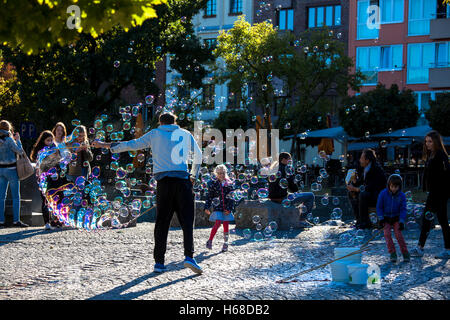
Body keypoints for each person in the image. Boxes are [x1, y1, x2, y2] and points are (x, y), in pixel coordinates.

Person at [92, 112, 203, 274]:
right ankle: (189, 256)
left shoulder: (154, 133)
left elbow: (132, 144)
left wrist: (105, 145)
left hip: (164, 183)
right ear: (175, 122)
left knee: (162, 223)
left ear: (160, 122)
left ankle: (159, 262)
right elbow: (199, 154)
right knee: (187, 221)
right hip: (183, 182)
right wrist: (194, 175)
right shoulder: (185, 134)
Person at [410, 131, 450, 259]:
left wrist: (438, 192)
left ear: (436, 142)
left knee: (436, 220)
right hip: (434, 193)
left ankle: (423, 247)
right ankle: (422, 247)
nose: (427, 144)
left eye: (430, 141)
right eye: (426, 141)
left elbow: (445, 175)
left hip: (439, 193)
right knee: (437, 221)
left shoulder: (440, 155)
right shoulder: (431, 155)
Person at [268, 152, 315, 227]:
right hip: (282, 198)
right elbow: (293, 188)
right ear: (283, 160)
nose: (290, 162)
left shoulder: (274, 168)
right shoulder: (286, 169)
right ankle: (302, 220)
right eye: (289, 160)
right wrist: (294, 180)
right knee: (310, 196)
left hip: (273, 198)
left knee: (299, 195)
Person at [346, 149, 386, 229]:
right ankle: (359, 220)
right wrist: (354, 182)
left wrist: (356, 189)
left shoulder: (376, 169)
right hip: (369, 194)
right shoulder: (366, 168)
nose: (360, 160)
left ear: (367, 160)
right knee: (351, 193)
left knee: (363, 195)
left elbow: (371, 187)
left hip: (377, 196)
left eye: (361, 158)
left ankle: (364, 222)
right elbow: (361, 183)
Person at [30, 130, 62, 230]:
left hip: (53, 178)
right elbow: (40, 164)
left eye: (51, 140)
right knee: (44, 200)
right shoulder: (40, 151)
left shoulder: (55, 149)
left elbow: (59, 162)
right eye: (48, 140)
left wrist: (57, 154)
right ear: (43, 141)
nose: (50, 142)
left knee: (56, 199)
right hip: (43, 178)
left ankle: (56, 221)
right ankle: (46, 222)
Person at [0, 120, 28, 228]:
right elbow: (20, 151)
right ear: (9, 129)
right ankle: (16, 220)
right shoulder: (9, 140)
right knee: (16, 196)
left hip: (0, 170)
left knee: (1, 197)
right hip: (11, 170)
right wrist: (18, 140)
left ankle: (1, 221)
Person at [376, 174, 410, 263]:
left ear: (399, 187)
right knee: (387, 234)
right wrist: (381, 218)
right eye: (392, 186)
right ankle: (392, 253)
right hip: (386, 218)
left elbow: (403, 209)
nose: (394, 189)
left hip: (396, 218)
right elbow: (379, 207)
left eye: (396, 187)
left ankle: (405, 252)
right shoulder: (383, 194)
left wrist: (401, 221)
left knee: (398, 235)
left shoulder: (402, 196)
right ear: (388, 185)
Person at [204, 164, 235, 252]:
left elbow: (232, 198)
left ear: (226, 173)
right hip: (217, 207)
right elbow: (209, 196)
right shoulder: (213, 184)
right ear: (216, 174)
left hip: (226, 209)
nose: (221, 175)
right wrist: (207, 206)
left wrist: (229, 209)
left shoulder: (229, 184)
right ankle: (210, 240)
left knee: (226, 225)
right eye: (219, 173)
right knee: (217, 223)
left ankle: (225, 243)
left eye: (223, 173)